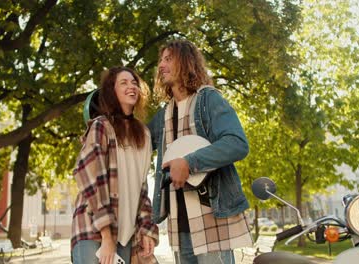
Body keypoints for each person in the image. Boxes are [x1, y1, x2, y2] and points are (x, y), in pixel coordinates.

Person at [148, 39, 253, 263]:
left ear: (185, 62)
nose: (161, 66)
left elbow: (237, 143)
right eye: (161, 60)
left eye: (168, 59)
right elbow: (136, 142)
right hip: (179, 222)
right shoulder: (164, 114)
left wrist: (189, 162)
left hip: (211, 216)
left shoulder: (208, 99)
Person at [71, 66, 158, 264]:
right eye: (124, 82)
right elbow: (90, 178)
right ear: (112, 91)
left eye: (134, 82)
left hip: (125, 236)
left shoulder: (143, 134)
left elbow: (142, 189)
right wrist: (106, 236)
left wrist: (146, 230)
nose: (132, 86)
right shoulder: (101, 126)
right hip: (93, 231)